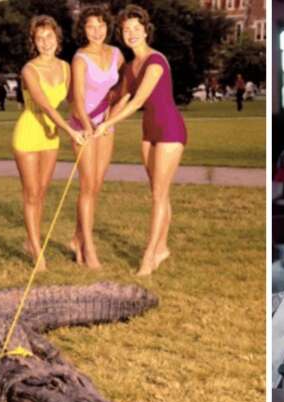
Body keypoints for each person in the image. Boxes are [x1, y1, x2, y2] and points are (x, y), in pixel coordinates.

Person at [95, 5, 187, 276]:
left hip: (170, 130)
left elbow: (137, 101)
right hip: (149, 132)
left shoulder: (156, 61)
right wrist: (99, 121)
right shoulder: (130, 66)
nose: (131, 34)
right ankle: (162, 248)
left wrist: (108, 124)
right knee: (159, 192)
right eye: (126, 30)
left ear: (147, 30)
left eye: (136, 28)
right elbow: (121, 96)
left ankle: (149, 256)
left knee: (159, 194)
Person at [12, 15, 86, 271]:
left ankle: (30, 240)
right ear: (34, 42)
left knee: (41, 192)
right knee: (31, 194)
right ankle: (37, 253)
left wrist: (87, 124)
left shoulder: (65, 68)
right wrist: (68, 129)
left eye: (49, 37)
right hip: (29, 132)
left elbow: (74, 102)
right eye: (39, 38)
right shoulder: (29, 70)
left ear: (57, 38)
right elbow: (43, 103)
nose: (45, 42)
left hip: (51, 136)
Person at [68, 5, 124, 269]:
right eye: (91, 26)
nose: (97, 31)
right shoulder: (80, 58)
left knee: (97, 186)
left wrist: (110, 118)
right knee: (87, 185)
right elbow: (77, 99)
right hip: (83, 126)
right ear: (83, 30)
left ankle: (77, 239)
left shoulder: (116, 54)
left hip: (106, 126)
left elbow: (122, 89)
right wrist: (89, 125)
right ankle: (89, 249)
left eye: (101, 25)